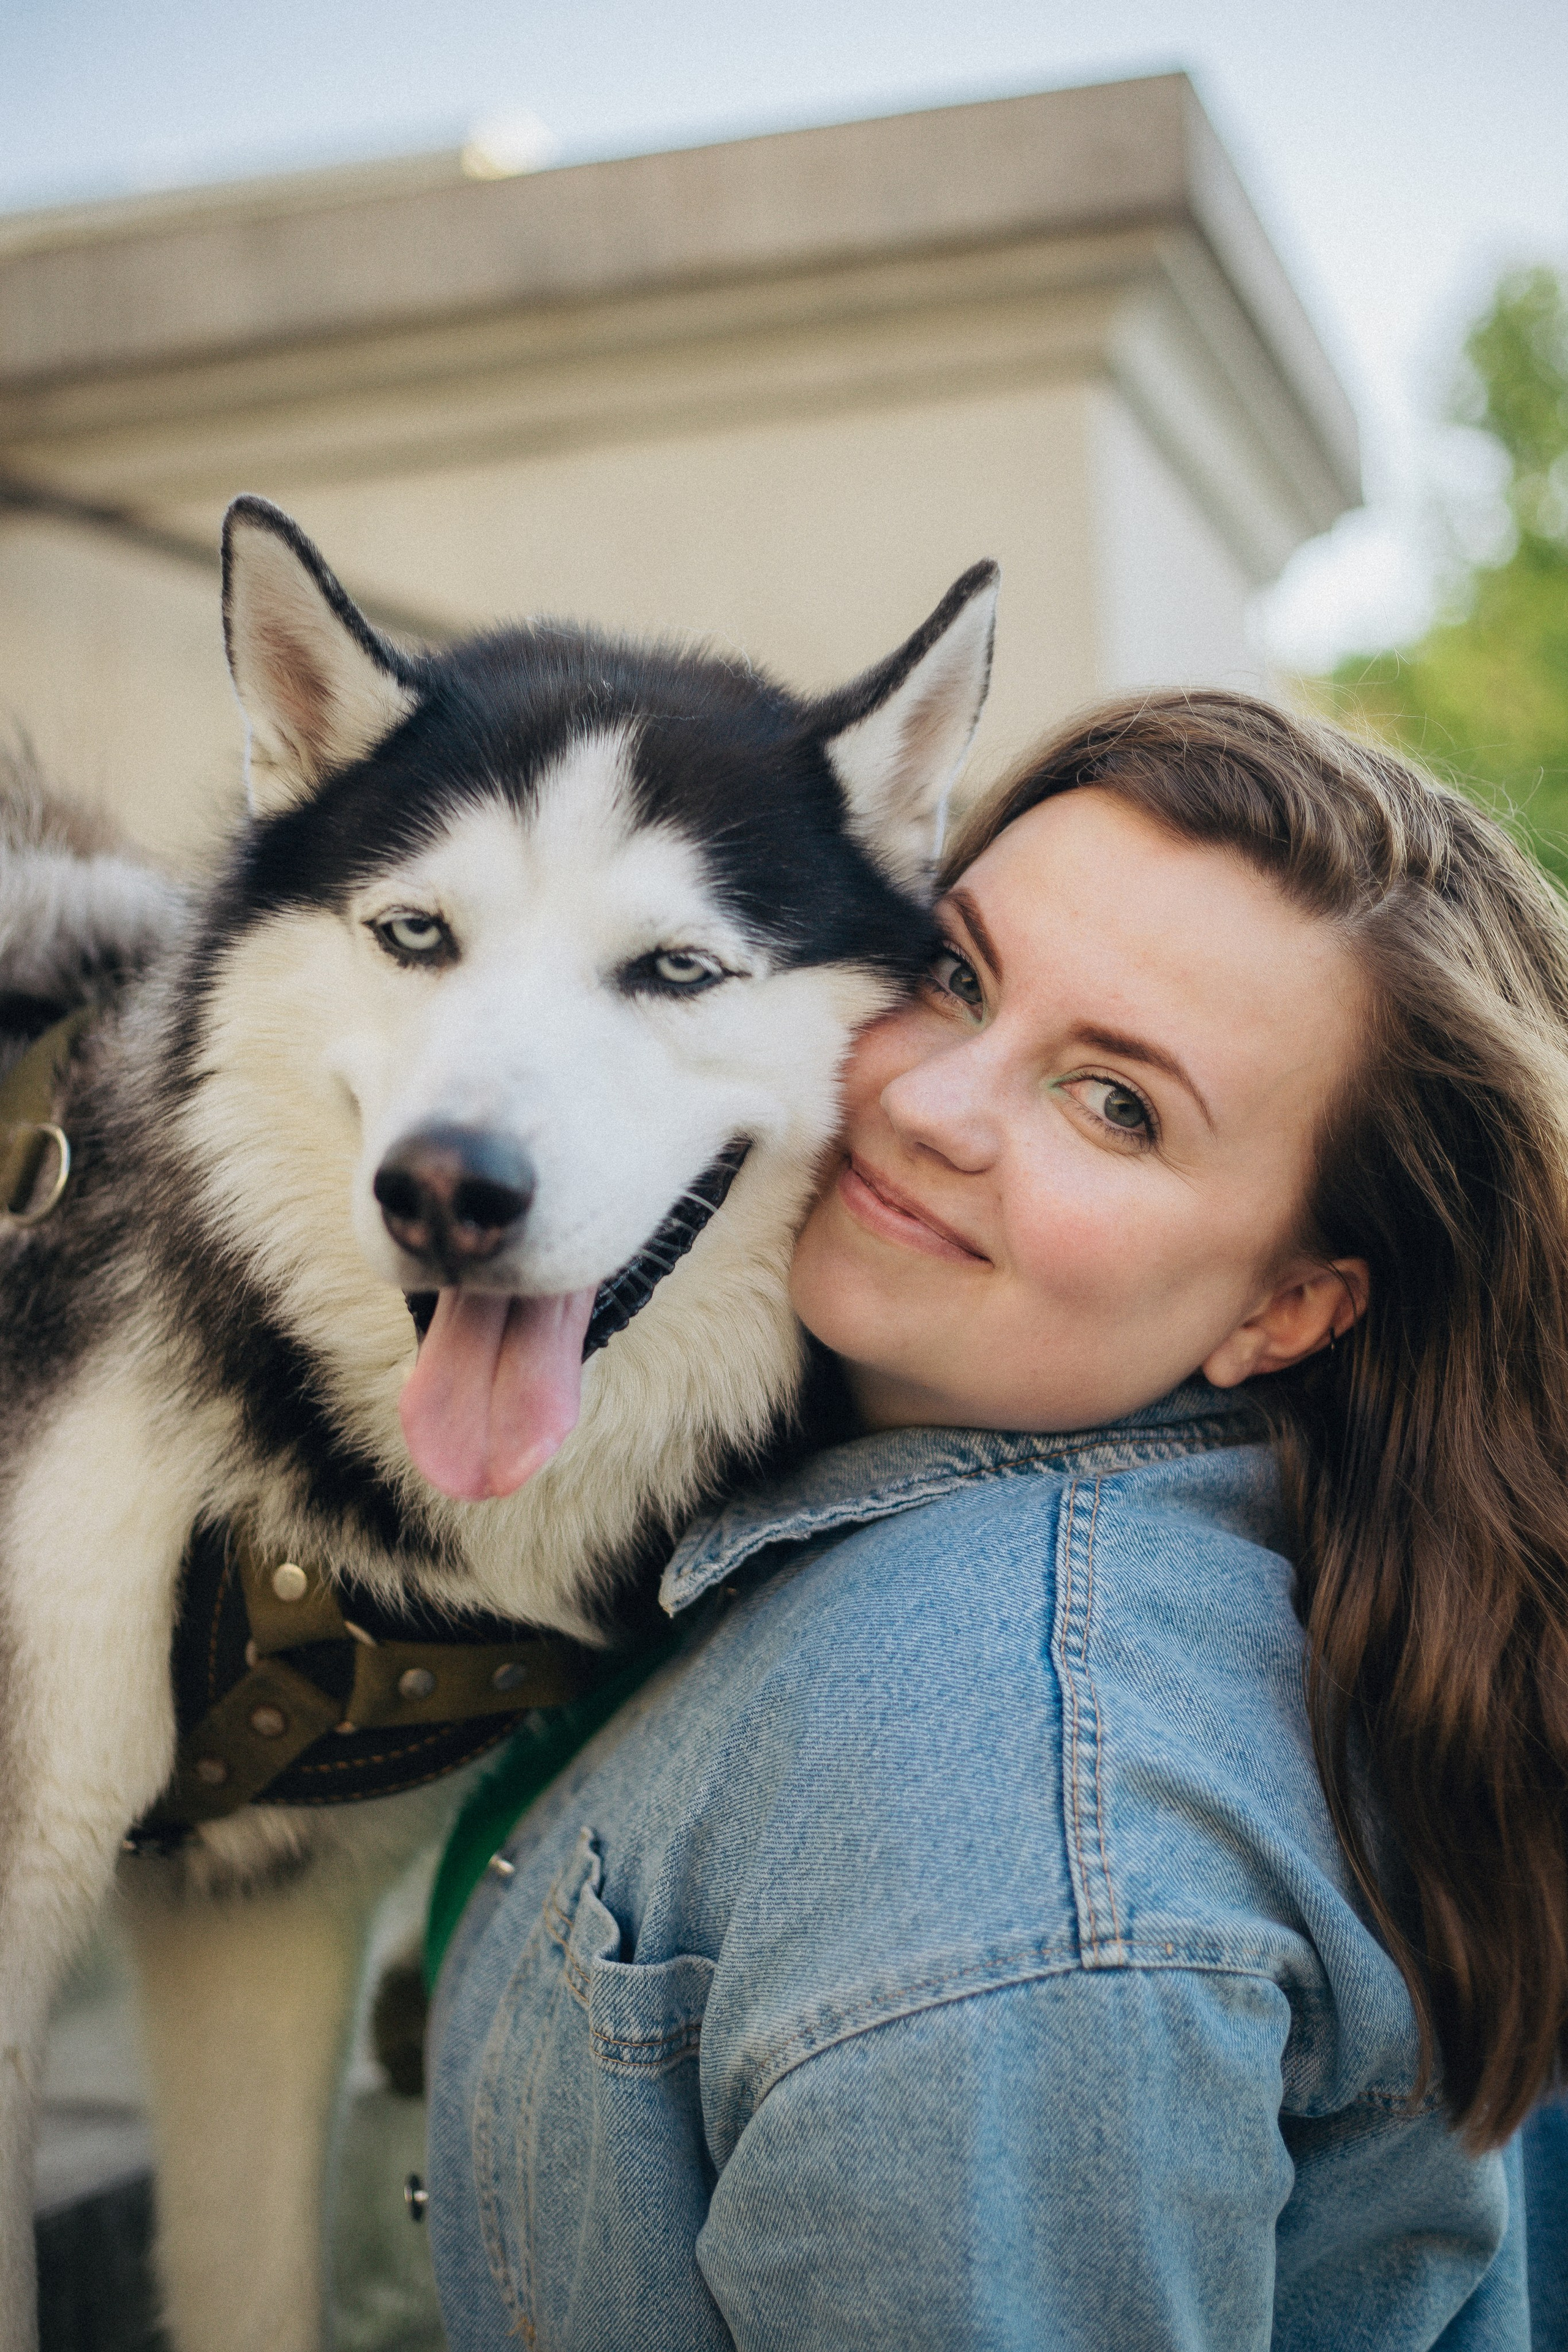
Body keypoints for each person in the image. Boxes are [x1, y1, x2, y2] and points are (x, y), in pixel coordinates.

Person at [423, 692, 1568, 2350]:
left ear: (1289, 1306)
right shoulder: (1253, 1545)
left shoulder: (1002, 1805)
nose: (936, 1106)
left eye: (1117, 1104)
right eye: (955, 973)